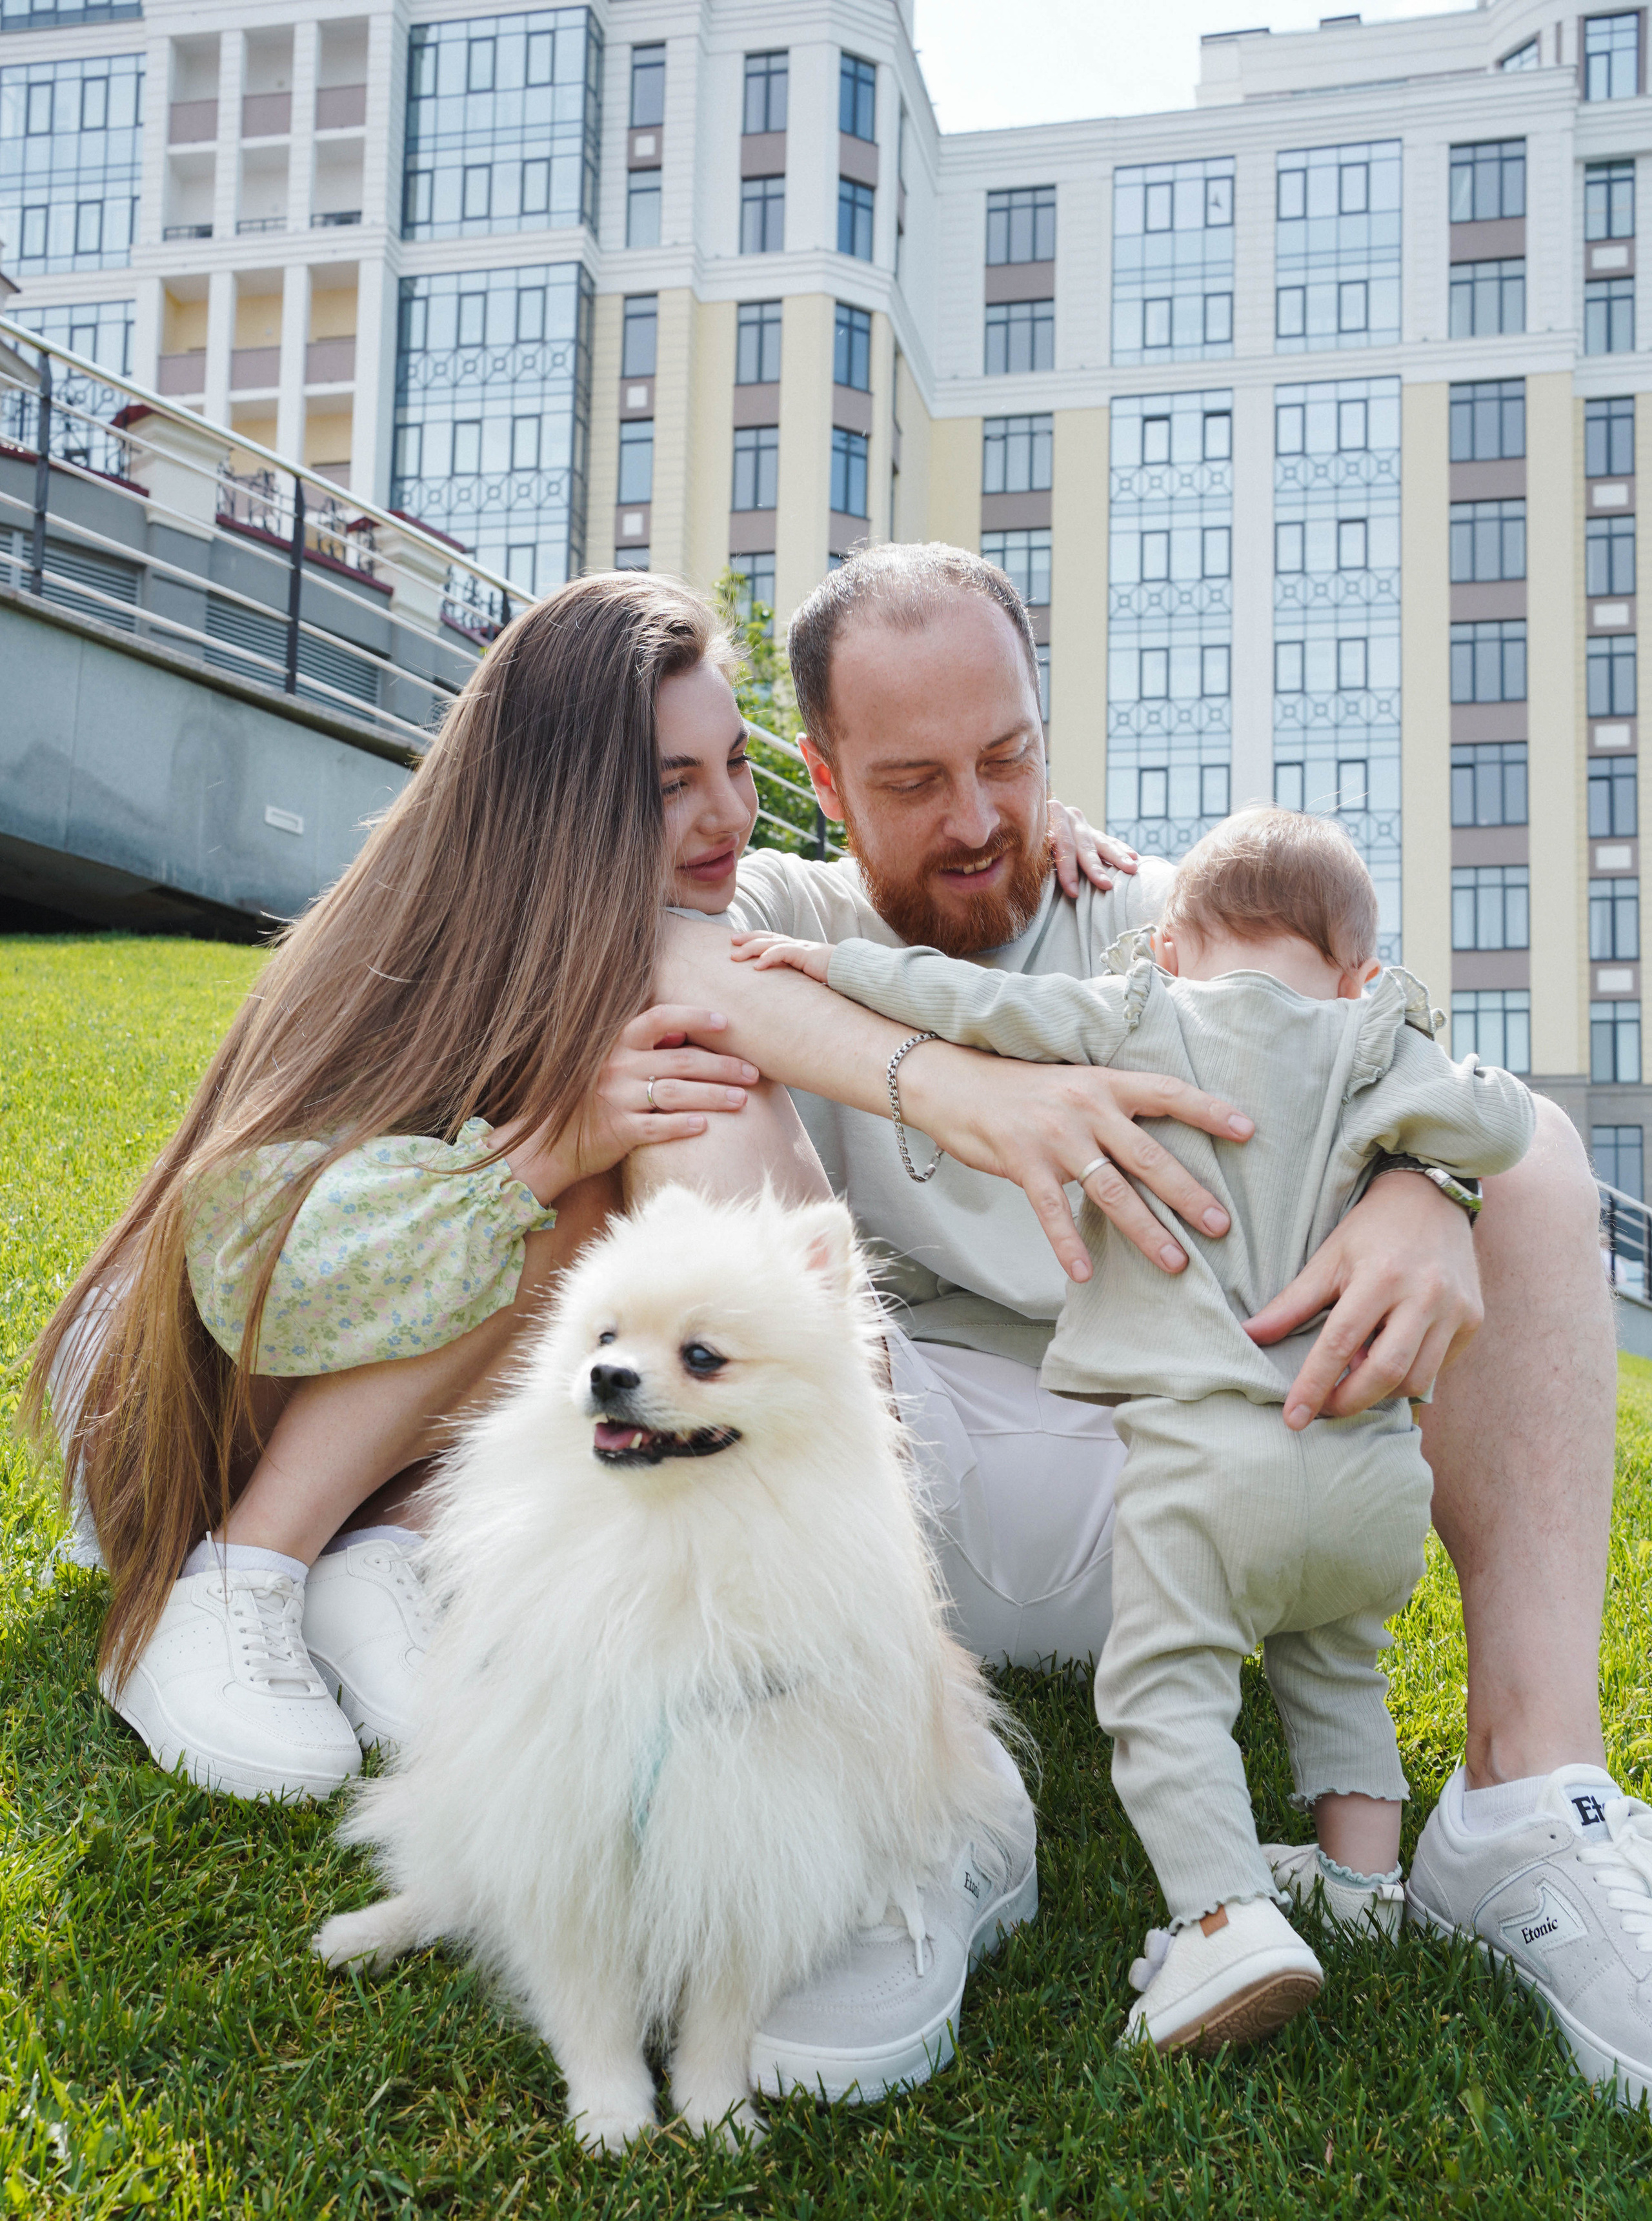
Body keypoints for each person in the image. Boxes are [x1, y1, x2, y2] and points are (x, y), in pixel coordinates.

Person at [643, 540, 1644, 2110]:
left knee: (1531, 1159)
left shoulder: (1170, 920)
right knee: (692, 1102)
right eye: (912, 782)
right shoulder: (780, 905)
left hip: (1198, 1484)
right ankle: (877, 1797)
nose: (977, 821)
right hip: (904, 1493)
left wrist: (1410, 1194)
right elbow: (655, 955)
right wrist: (956, 1088)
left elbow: (1392, 1044)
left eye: (1008, 757)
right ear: (825, 784)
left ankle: (1526, 1805)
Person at [736, 803, 1553, 2056]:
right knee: (1336, 1665)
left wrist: (823, 966)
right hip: (1363, 1465)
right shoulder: (1376, 1045)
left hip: (1202, 1460)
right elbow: (1499, 1128)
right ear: (1354, 967)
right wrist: (1410, 1075)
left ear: (1169, 946)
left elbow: (962, 1007)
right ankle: (1358, 1892)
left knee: (1165, 1688)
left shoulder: (1136, 1014)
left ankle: (1220, 1921)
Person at [26, 578, 775, 1799]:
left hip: (354, 1407)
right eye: (670, 786)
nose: (730, 816)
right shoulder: (428, 947)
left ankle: (388, 1559)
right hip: (182, 1392)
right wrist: (535, 1152)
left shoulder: (666, 924)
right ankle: (236, 1578)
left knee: (625, 1174)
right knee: (567, 1180)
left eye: (736, 765)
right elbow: (257, 1264)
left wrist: (1071, 855)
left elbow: (859, 917)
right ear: (564, 808)